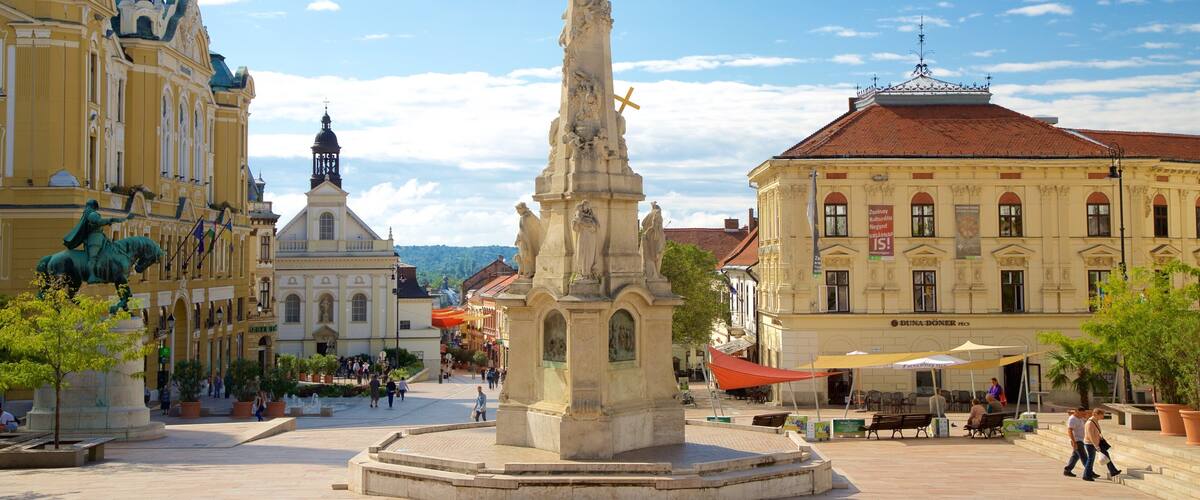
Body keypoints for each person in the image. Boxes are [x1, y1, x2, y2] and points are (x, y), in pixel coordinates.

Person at [1084, 409, 1122, 480]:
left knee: (1106, 455)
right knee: (1090, 459)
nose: (1103, 416)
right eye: (1101, 415)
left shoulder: (1095, 421)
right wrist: (1096, 446)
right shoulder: (1090, 423)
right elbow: (1090, 435)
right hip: (1091, 444)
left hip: (1096, 443)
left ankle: (1113, 471)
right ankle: (1086, 475)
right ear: (1096, 414)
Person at [1063, 408, 1089, 477]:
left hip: (1081, 440)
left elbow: (1087, 422)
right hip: (1077, 440)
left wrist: (1085, 416)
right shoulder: (1072, 419)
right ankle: (1089, 471)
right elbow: (1070, 430)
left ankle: (1067, 470)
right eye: (1082, 413)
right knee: (1084, 456)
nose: (1083, 415)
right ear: (1077, 412)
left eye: (1084, 413)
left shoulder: (1080, 418)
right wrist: (1073, 442)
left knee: (1075, 456)